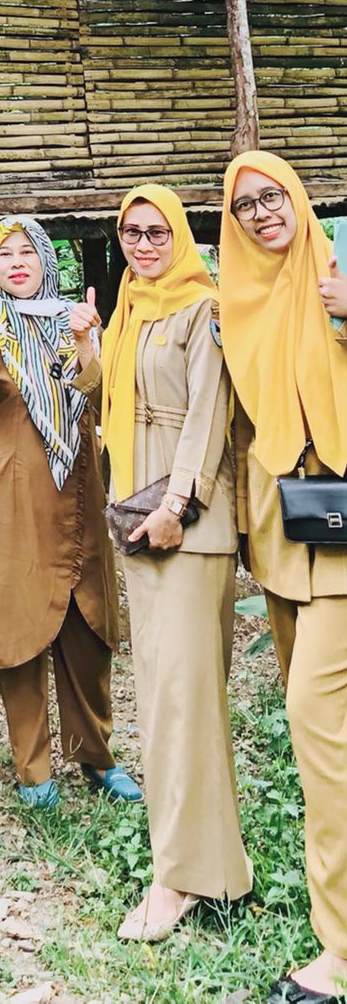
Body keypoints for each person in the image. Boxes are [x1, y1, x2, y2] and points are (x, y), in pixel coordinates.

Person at [0, 217, 138, 810]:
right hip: (11, 503)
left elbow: (100, 393)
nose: (16, 263)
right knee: (19, 630)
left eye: (27, 252)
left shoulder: (76, 319)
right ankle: (34, 770)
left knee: (88, 626)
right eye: (4, 256)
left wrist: (89, 343)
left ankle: (98, 756)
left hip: (77, 497)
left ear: (46, 260)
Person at [92, 184, 250, 943]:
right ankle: (213, 869)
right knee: (170, 703)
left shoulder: (201, 306)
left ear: (182, 235)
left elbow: (207, 416)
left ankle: (177, 880)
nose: (146, 245)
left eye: (158, 232)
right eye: (132, 232)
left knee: (179, 706)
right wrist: (87, 346)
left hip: (182, 529)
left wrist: (176, 509)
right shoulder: (131, 306)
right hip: (139, 520)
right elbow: (105, 397)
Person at [221, 153, 347, 1004]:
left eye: (274, 197)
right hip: (293, 532)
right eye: (245, 207)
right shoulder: (241, 302)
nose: (264, 214)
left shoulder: (337, 282)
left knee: (315, 719)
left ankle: (340, 948)